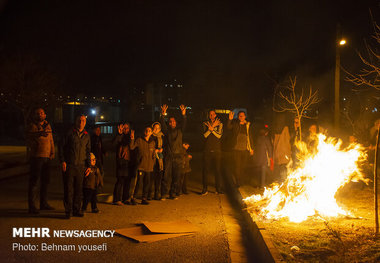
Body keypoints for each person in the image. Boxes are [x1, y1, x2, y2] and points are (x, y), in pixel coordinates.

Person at [59, 115, 91, 218]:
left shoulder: (86, 135)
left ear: (85, 122)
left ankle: (77, 209)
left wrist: (89, 166)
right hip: (69, 165)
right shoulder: (69, 133)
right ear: (75, 121)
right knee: (68, 189)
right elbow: (61, 147)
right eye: (79, 120)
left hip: (81, 166)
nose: (81, 122)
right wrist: (63, 161)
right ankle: (68, 211)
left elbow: (88, 151)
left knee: (78, 189)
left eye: (83, 121)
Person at [26, 108, 55, 214]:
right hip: (36, 157)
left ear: (45, 115)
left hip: (47, 157)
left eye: (41, 113)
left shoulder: (48, 125)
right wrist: (39, 134)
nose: (40, 115)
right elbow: (28, 137)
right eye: (37, 113)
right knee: (34, 182)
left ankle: (43, 203)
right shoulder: (32, 126)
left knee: (45, 181)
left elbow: (51, 139)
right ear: (34, 115)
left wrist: (52, 151)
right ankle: (32, 206)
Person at [160, 104, 187, 200]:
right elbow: (163, 125)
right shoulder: (167, 131)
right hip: (169, 156)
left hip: (178, 156)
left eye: (174, 121)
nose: (172, 122)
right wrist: (162, 115)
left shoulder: (180, 131)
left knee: (176, 177)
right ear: (169, 123)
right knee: (166, 176)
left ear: (176, 123)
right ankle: (163, 194)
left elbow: (184, 123)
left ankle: (173, 193)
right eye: (170, 121)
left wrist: (183, 114)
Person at [128, 127, 156, 205]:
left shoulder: (152, 142)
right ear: (144, 132)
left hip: (149, 167)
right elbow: (131, 147)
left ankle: (144, 198)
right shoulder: (139, 140)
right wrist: (132, 138)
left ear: (151, 133)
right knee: (138, 183)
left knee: (147, 183)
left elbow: (154, 154)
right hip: (141, 166)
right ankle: (133, 198)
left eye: (150, 131)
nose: (148, 132)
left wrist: (153, 163)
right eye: (146, 130)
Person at [227, 110, 254, 187]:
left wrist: (252, 148)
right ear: (238, 117)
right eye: (239, 116)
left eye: (242, 116)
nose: (241, 117)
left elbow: (250, 137)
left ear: (245, 116)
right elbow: (228, 127)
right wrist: (230, 119)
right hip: (236, 149)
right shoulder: (235, 124)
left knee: (243, 166)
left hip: (245, 149)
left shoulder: (248, 125)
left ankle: (241, 180)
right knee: (237, 166)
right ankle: (238, 182)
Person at [201, 110, 223, 195]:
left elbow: (219, 135)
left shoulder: (220, 124)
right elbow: (204, 135)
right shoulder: (205, 123)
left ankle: (218, 189)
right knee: (205, 170)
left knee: (217, 170)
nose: (211, 115)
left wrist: (212, 128)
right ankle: (205, 189)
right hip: (207, 149)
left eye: (213, 114)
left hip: (217, 150)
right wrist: (212, 127)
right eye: (210, 114)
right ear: (208, 115)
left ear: (215, 115)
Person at [112, 123, 131, 205]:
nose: (125, 129)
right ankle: (117, 199)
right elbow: (114, 144)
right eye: (124, 128)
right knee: (120, 180)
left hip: (129, 161)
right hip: (121, 161)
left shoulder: (130, 137)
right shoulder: (120, 136)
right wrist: (119, 134)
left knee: (127, 181)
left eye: (127, 128)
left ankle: (125, 198)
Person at [150, 122, 164, 200]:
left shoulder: (162, 136)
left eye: (158, 128)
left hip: (160, 159)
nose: (156, 129)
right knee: (151, 177)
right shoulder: (150, 136)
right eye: (155, 128)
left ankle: (157, 193)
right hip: (152, 159)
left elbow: (164, 146)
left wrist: (162, 149)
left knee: (158, 177)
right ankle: (149, 194)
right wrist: (153, 150)